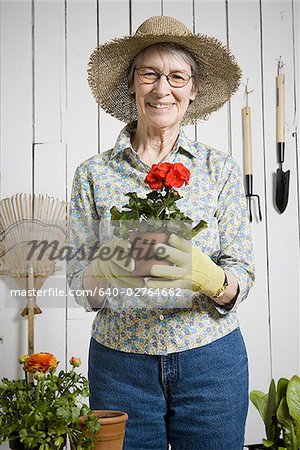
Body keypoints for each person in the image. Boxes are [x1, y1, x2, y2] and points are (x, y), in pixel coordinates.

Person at [67, 15, 255, 450]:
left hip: (211, 363)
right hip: (120, 369)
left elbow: (242, 273)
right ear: (133, 83)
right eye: (149, 74)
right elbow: (81, 289)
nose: (161, 88)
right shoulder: (93, 175)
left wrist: (214, 279)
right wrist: (106, 268)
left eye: (176, 76)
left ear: (192, 90)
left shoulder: (219, 170)